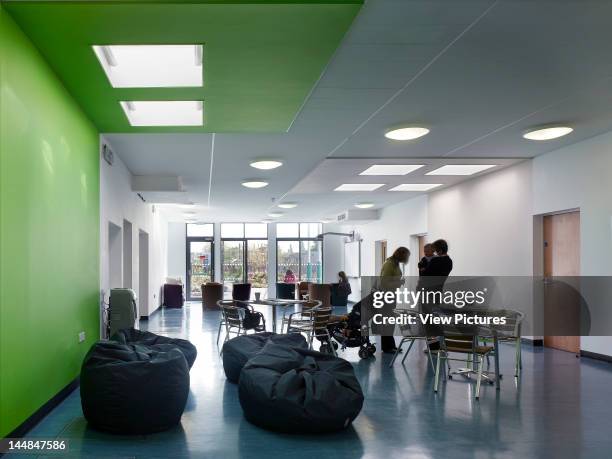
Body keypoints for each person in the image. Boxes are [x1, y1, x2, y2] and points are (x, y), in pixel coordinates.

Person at [378, 246, 410, 353]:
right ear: (401, 255)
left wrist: (398, 282)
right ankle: (387, 347)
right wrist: (399, 283)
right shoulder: (389, 264)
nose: (407, 258)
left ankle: (391, 345)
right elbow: (384, 282)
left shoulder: (395, 264)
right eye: (406, 256)